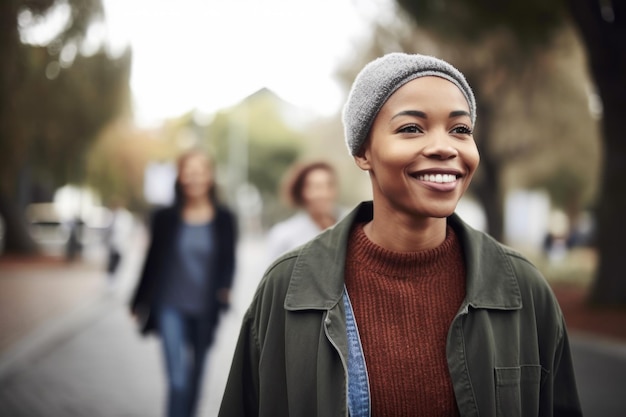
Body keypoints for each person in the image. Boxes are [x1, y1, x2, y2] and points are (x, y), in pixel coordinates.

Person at [218, 53, 581, 416]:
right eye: (411, 128)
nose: (445, 146)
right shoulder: (288, 289)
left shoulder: (522, 288)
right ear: (364, 152)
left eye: (460, 129)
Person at [130, 148, 237, 417]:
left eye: (200, 172)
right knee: (178, 380)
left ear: (210, 177)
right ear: (179, 177)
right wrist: (138, 300)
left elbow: (229, 261)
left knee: (196, 381)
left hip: (205, 308)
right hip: (170, 305)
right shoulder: (164, 217)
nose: (194, 178)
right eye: (188, 172)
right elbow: (152, 260)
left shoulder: (225, 218)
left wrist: (226, 288)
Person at [266, 161, 344, 262]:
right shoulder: (283, 235)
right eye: (316, 187)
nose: (324, 193)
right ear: (302, 192)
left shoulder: (353, 226)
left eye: (329, 185)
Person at [104, 197, 134, 282]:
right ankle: (111, 278)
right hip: (113, 244)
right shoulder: (112, 215)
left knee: (117, 262)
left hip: (121, 244)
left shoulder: (125, 217)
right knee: (112, 262)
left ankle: (114, 279)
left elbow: (127, 231)